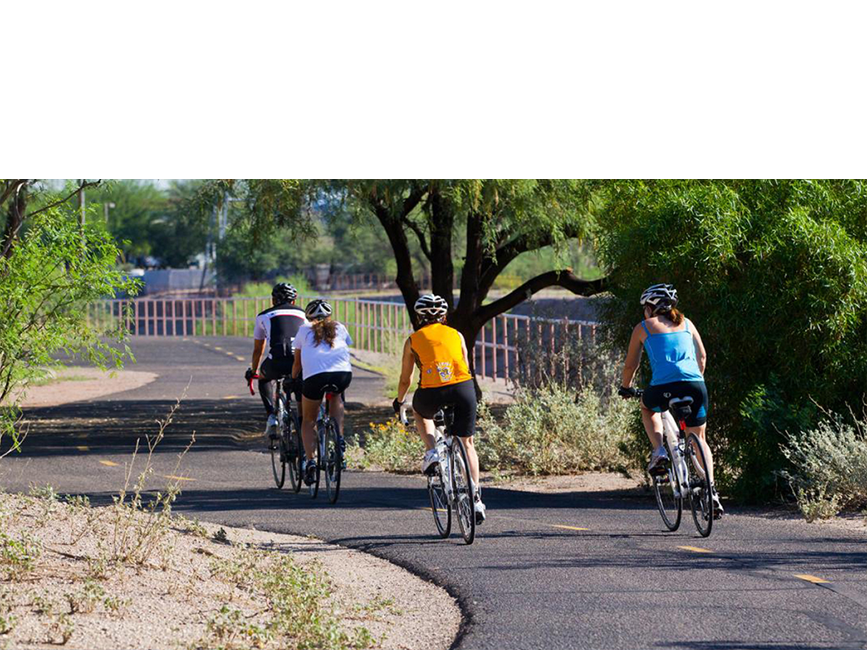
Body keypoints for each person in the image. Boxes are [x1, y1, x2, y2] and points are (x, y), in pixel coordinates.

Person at [619, 283, 723, 517]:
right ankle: (712, 492)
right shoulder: (687, 323)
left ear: (650, 307)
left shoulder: (643, 327)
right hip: (696, 385)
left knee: (647, 407)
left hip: (662, 387)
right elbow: (703, 357)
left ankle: (659, 452)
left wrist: (626, 387)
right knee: (700, 438)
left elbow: (630, 365)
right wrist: (694, 380)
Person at [393, 294, 486, 524]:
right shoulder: (457, 334)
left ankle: (432, 451)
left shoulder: (413, 340)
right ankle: (475, 497)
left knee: (420, 411)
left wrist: (399, 400)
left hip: (431, 391)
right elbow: (464, 363)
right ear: (444, 316)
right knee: (468, 443)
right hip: (463, 389)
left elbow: (406, 379)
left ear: (419, 316)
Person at [292, 299, 353, 485]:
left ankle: (310, 461)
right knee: (336, 396)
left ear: (308, 317)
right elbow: (346, 347)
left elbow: (297, 363)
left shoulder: (303, 331)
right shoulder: (340, 327)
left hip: (315, 378)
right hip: (342, 375)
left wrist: (293, 378)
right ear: (329, 316)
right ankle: (340, 441)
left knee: (309, 421)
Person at [245, 282, 307, 444]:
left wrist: (253, 371)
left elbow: (258, 349)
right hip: (299, 361)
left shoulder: (263, 316)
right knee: (300, 384)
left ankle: (272, 416)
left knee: (264, 378)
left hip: (276, 361)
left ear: (273, 300)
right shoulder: (305, 314)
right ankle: (302, 423)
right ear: (294, 300)